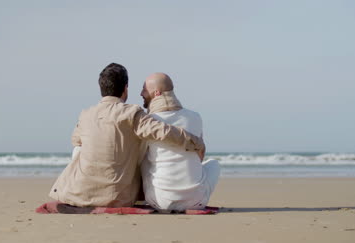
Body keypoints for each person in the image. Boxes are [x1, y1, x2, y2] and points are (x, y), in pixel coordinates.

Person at [37, 63, 205, 212]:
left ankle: (84, 188)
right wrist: (196, 142)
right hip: (118, 197)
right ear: (125, 88)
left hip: (80, 194)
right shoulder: (131, 113)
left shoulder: (86, 114)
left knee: (79, 148)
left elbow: (76, 141)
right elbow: (164, 132)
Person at [140, 73, 220, 211]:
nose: (141, 93)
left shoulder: (149, 122)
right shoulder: (195, 117)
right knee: (214, 164)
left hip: (160, 202)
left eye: (144, 89)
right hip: (196, 202)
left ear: (157, 93)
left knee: (142, 159)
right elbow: (200, 155)